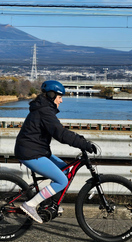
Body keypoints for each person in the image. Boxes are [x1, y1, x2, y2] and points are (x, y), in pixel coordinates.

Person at [14, 80, 97, 224]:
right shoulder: (44, 111)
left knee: (65, 170)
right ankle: (30, 205)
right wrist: (83, 144)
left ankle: (49, 205)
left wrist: (80, 139)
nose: (62, 100)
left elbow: (60, 131)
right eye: (60, 97)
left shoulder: (44, 109)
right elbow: (60, 134)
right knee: (62, 180)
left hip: (37, 150)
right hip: (30, 153)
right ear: (52, 95)